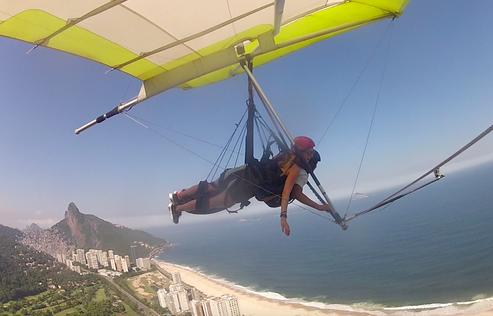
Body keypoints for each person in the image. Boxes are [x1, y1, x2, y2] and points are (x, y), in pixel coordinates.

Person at [168, 136, 332, 236]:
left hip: (244, 170)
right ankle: (176, 208)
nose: (310, 156)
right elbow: (289, 192)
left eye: (311, 153)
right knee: (214, 202)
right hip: (248, 185)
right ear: (301, 152)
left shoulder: (285, 154)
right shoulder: (296, 168)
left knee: (211, 186)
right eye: (309, 152)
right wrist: (284, 217)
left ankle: (178, 196)